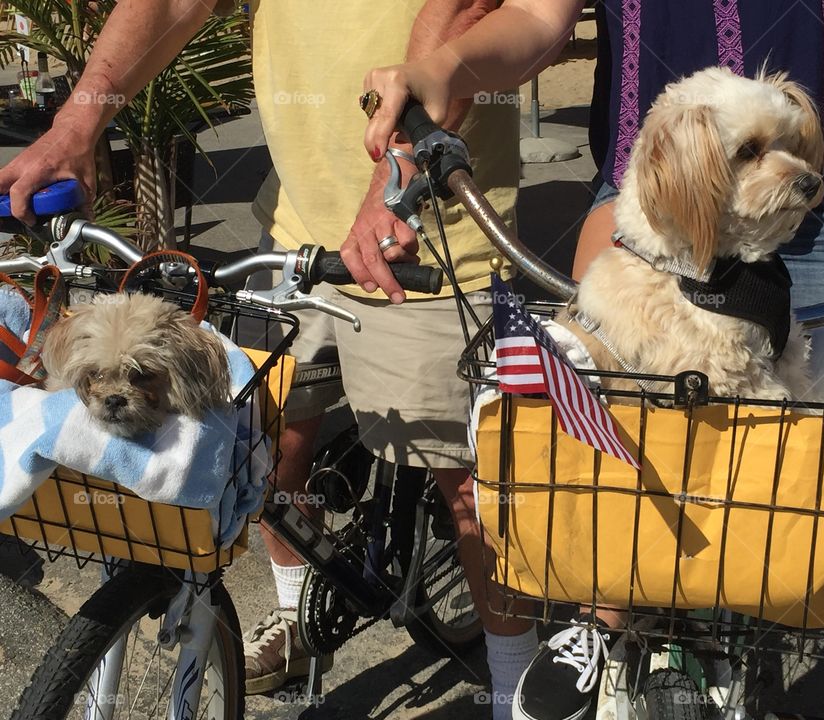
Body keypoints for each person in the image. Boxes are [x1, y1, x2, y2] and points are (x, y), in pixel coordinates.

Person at [364, 1, 824, 719]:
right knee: (608, 460)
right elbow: (533, 12)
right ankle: (600, 628)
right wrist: (442, 66)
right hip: (654, 199)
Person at [0, 1, 540, 717]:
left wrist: (395, 184)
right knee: (260, 450)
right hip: (292, 233)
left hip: (425, 239)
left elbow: (468, 12)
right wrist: (75, 125)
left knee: (469, 490)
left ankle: (515, 685)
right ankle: (294, 618)